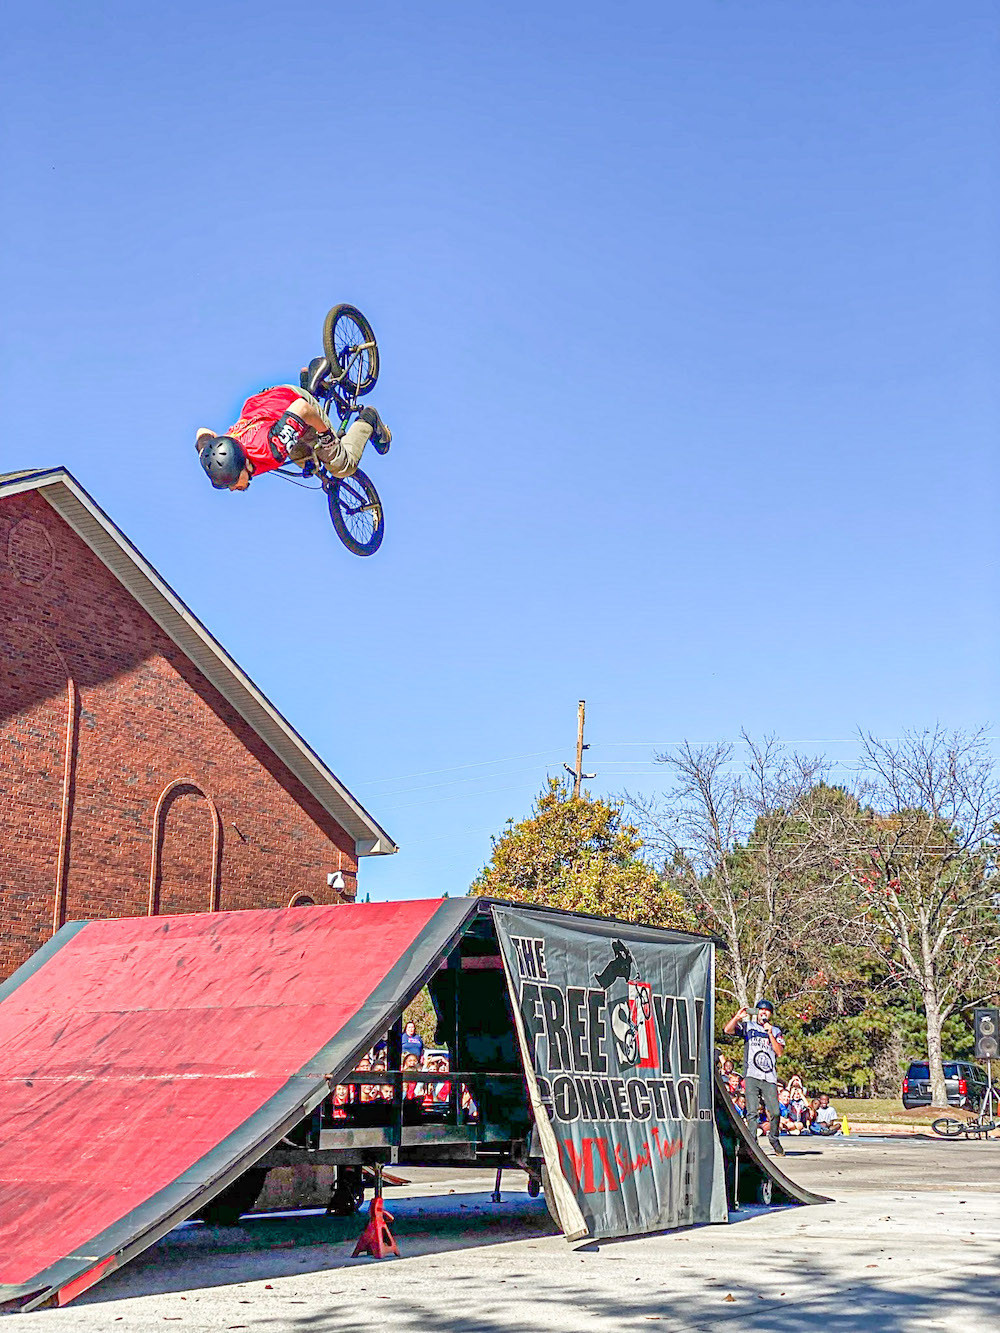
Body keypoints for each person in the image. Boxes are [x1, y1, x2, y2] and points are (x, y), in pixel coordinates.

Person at [196, 359, 391, 491]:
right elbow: (202, 432)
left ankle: (368, 419)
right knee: (306, 461)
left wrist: (326, 436)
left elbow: (302, 408)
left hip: (294, 403)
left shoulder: (272, 448)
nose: (232, 488)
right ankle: (312, 380)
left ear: (245, 464)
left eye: (233, 482)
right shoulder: (215, 449)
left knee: (342, 467)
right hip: (265, 404)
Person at [724, 998, 787, 1156]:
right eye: (761, 1010)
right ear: (757, 1012)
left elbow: (779, 1052)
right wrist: (737, 1018)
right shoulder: (749, 1027)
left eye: (767, 1011)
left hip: (769, 1077)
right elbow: (727, 1030)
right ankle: (752, 1144)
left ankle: (774, 1138)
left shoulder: (775, 1030)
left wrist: (770, 1033)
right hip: (752, 1075)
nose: (764, 1013)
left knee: (775, 1112)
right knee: (752, 1112)